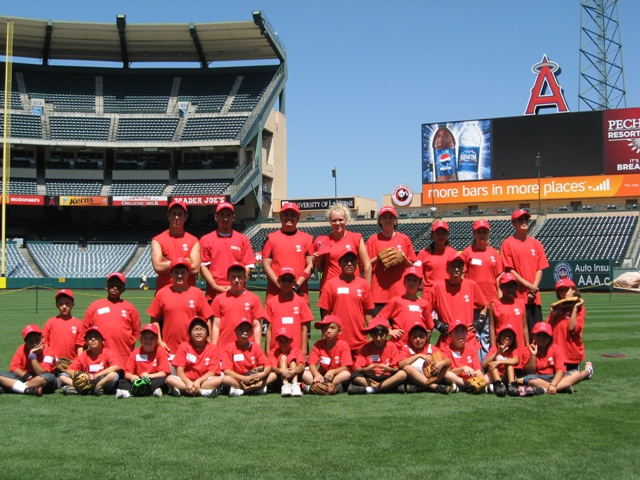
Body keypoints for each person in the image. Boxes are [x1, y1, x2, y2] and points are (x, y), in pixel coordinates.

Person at [147, 258, 213, 361]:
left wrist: (208, 342)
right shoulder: (162, 293)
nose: (179, 275)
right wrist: (159, 341)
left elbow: (207, 319)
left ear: (188, 274)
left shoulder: (197, 293)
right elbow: (154, 319)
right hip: (169, 350)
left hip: (193, 350)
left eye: (183, 272)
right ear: (171, 274)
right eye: (176, 273)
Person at [500, 209, 549, 338]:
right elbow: (509, 269)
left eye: (526, 219)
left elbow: (540, 268)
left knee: (536, 336)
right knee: (519, 336)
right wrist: (529, 286)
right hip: (517, 298)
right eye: (520, 219)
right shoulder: (507, 243)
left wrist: (533, 288)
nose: (524, 221)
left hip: (534, 298)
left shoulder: (536, 244)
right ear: (513, 223)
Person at [317, 248, 375, 356]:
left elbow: (368, 313)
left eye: (352, 261)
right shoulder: (330, 284)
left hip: (359, 341)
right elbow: (325, 315)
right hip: (336, 341)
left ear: (357, 264)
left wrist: (372, 333)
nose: (349, 264)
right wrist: (325, 336)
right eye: (346, 260)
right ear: (339, 263)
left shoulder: (363, 284)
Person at [77, 273, 141, 369]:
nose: (115, 288)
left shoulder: (130, 308)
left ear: (123, 289)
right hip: (98, 361)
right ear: (106, 286)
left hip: (124, 359)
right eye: (112, 285)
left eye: (119, 286)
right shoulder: (94, 306)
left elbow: (136, 334)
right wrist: (80, 362)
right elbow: (82, 336)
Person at [429, 254, 488, 356]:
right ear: (447, 269)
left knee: (473, 366)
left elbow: (484, 304)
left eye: (459, 266)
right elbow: (426, 310)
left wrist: (480, 320)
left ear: (463, 269)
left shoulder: (471, 285)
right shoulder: (438, 287)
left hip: (468, 339)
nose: (456, 269)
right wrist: (436, 323)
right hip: (447, 339)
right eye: (453, 266)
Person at [461, 219, 503, 356]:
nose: (482, 235)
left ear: (488, 233)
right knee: (472, 335)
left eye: (484, 232)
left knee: (486, 336)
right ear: (474, 234)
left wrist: (499, 299)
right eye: (479, 232)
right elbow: (462, 276)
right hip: (472, 302)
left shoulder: (494, 253)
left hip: (490, 301)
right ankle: (474, 364)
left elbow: (499, 277)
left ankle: (484, 364)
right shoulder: (467, 252)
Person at [200, 201, 255, 302]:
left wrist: (235, 285)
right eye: (222, 215)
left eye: (228, 215)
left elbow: (248, 266)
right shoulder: (206, 239)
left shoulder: (243, 239)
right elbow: (204, 267)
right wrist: (215, 286)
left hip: (238, 294)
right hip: (214, 295)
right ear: (216, 217)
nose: (225, 218)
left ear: (233, 217)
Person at [366, 205, 417, 315]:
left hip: (400, 292)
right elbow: (366, 265)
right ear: (380, 221)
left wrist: (403, 258)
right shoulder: (373, 240)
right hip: (378, 294)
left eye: (390, 217)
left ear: (395, 220)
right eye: (384, 218)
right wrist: (378, 258)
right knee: (379, 326)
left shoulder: (404, 239)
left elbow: (412, 267)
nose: (387, 220)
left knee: (401, 326)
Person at [312, 202, 371, 293]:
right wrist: (317, 262)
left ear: (346, 219)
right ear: (330, 221)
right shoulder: (325, 241)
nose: (337, 223)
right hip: (329, 289)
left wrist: (367, 290)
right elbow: (321, 269)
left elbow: (367, 265)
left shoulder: (356, 238)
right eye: (334, 220)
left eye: (340, 220)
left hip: (352, 289)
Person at [261, 201, 314, 301]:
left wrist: (296, 285)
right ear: (280, 217)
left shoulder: (308, 239)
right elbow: (266, 265)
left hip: (299, 293)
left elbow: (311, 265)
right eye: (286, 215)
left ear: (298, 218)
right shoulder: (270, 238)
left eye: (292, 215)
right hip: (275, 294)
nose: (289, 217)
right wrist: (281, 285)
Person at [522, 322, 592, 395]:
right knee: (529, 379)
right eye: (539, 335)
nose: (542, 338)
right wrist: (533, 355)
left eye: (545, 335)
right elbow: (529, 372)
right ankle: (563, 387)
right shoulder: (528, 349)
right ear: (533, 335)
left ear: (550, 337)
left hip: (555, 377)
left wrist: (553, 385)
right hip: (538, 377)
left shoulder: (555, 348)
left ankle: (546, 389)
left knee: (576, 374)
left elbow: (559, 370)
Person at [210, 262, 264, 349]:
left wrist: (256, 348)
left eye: (240, 276)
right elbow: (216, 326)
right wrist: (214, 348)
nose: (236, 280)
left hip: (247, 349)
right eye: (233, 277)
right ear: (228, 278)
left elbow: (257, 326)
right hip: (224, 348)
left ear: (245, 278)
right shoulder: (219, 299)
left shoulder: (254, 299)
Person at [347, 317, 407, 394]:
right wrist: (367, 369)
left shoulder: (391, 346)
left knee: (402, 374)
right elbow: (357, 369)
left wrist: (388, 369)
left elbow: (396, 369)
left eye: (381, 335)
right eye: (375, 335)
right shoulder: (365, 347)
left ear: (386, 334)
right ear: (371, 335)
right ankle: (383, 388)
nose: (378, 338)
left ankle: (374, 389)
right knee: (355, 376)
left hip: (387, 377)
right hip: (370, 377)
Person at [165, 317, 222, 398]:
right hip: (186, 380)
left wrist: (199, 381)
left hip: (203, 381)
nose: (198, 333)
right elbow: (179, 370)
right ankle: (203, 392)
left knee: (218, 380)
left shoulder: (213, 348)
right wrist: (187, 382)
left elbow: (212, 372)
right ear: (190, 333)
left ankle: (184, 390)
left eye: (202, 329)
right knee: (169, 380)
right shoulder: (184, 346)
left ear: (207, 333)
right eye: (195, 329)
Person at [151, 200, 201, 292]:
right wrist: (186, 261)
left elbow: (195, 269)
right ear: (168, 216)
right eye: (174, 214)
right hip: (164, 292)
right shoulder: (157, 240)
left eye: (180, 214)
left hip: (187, 292)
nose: (177, 217)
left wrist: (168, 263)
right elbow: (158, 267)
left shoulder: (194, 241)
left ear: (185, 217)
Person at [378, 265, 434, 347]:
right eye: (409, 279)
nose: (411, 283)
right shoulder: (396, 301)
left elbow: (430, 326)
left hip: (416, 345)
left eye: (415, 280)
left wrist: (426, 335)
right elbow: (380, 318)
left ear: (420, 284)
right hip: (399, 345)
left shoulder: (424, 303)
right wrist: (389, 330)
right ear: (404, 282)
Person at [264, 266, 313, 356]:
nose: (286, 283)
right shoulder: (271, 303)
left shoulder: (302, 302)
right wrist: (267, 352)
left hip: (296, 351)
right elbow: (269, 329)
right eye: (284, 280)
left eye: (289, 280)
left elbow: (304, 329)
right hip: (275, 351)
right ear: (279, 281)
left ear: (294, 283)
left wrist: (304, 352)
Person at [546, 278, 590, 373]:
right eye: (560, 291)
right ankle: (587, 372)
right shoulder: (556, 308)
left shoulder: (580, 309)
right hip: (556, 351)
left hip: (571, 352)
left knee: (571, 378)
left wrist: (575, 308)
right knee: (556, 379)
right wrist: (553, 315)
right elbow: (546, 330)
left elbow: (572, 328)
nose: (563, 293)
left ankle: (587, 372)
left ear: (573, 290)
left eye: (566, 290)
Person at [115, 323, 171, 399]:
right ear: (141, 338)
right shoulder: (136, 352)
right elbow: (127, 373)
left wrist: (150, 376)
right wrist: (132, 377)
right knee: (121, 382)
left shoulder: (160, 351)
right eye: (145, 337)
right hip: (138, 380)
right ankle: (151, 392)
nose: (148, 341)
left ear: (156, 340)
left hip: (152, 379)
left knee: (162, 381)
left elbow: (164, 373)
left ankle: (130, 392)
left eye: (151, 338)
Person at [221, 318, 273, 396]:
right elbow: (226, 370)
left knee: (273, 375)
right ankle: (253, 389)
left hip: (254, 378)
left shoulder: (255, 346)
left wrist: (261, 375)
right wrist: (243, 378)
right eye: (241, 330)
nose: (244, 333)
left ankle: (246, 390)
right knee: (226, 379)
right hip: (238, 380)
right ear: (235, 332)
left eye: (247, 330)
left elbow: (268, 365)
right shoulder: (230, 347)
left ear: (251, 333)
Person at [301, 315, 353, 394]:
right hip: (321, 377)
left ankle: (317, 388)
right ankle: (330, 388)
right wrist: (316, 374)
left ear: (339, 331)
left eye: (332, 328)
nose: (328, 331)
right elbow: (312, 364)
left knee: (346, 374)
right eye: (325, 328)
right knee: (304, 373)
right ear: (322, 331)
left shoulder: (343, 345)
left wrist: (333, 371)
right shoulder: (318, 344)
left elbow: (346, 367)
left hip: (335, 377)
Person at [62, 326, 120, 396]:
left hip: (101, 379)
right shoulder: (85, 354)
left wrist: (96, 375)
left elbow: (116, 367)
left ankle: (91, 389)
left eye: (96, 337)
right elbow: (69, 370)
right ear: (86, 342)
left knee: (113, 375)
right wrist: (82, 376)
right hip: (87, 381)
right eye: (90, 337)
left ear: (103, 341)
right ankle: (84, 389)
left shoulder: (107, 352)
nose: (93, 339)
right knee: (62, 376)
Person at [0, 324, 56, 396]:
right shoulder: (22, 349)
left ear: (42, 338)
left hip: (42, 380)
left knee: (47, 377)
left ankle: (17, 388)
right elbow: (14, 368)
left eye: (37, 340)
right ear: (26, 343)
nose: (35, 344)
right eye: (31, 342)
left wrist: (32, 355)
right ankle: (27, 389)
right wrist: (28, 377)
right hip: (25, 377)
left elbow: (40, 373)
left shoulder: (49, 351)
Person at [397, 320, 451, 394]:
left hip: (432, 377)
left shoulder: (431, 348)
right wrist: (419, 355)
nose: (418, 339)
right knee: (407, 367)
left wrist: (442, 363)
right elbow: (400, 365)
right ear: (410, 338)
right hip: (414, 379)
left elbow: (448, 360)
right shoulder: (407, 348)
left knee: (447, 366)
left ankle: (422, 387)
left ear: (427, 336)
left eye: (421, 336)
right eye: (414, 337)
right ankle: (434, 387)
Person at [489, 272, 528, 369]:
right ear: (501, 287)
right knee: (503, 369)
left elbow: (524, 326)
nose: (510, 289)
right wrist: (494, 347)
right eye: (507, 286)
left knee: (519, 369)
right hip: (503, 345)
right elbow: (492, 327)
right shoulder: (494, 304)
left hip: (519, 344)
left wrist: (527, 345)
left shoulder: (521, 303)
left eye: (512, 286)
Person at [440, 320, 486, 393]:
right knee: (448, 375)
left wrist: (481, 381)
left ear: (467, 334)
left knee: (487, 376)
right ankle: (470, 386)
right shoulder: (447, 350)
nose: (460, 334)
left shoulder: (471, 348)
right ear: (450, 335)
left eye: (463, 331)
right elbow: (450, 371)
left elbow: (477, 369)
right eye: (457, 332)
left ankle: (476, 386)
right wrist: (463, 369)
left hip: (472, 378)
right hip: (457, 378)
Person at [415, 220, 457, 298]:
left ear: (447, 235)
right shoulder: (424, 253)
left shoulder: (453, 253)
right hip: (429, 294)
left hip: (448, 293)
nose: (440, 236)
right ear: (432, 235)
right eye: (437, 233)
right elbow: (416, 274)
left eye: (443, 233)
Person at [42, 289, 82, 361]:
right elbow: (44, 342)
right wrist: (51, 357)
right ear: (57, 305)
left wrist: (79, 362)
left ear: (73, 304)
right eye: (61, 303)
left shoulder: (78, 324)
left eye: (67, 303)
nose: (64, 306)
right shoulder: (50, 322)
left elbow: (80, 345)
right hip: (53, 361)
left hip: (72, 362)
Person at [482, 324, 520, 397]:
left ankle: (512, 385)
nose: (507, 338)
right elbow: (484, 364)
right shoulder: (494, 348)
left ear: (513, 340)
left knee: (509, 364)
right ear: (499, 337)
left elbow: (515, 360)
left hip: (508, 376)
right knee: (491, 366)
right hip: (495, 375)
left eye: (510, 336)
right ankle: (498, 385)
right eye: (504, 335)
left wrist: (498, 362)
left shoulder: (513, 350)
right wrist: (497, 353)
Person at [267, 326, 305, 397]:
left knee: (293, 362)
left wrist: (293, 371)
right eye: (280, 341)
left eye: (286, 341)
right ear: (277, 341)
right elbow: (272, 367)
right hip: (279, 379)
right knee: (283, 357)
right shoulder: (273, 352)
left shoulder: (296, 351)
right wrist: (281, 371)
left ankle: (295, 385)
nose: (283, 344)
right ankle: (286, 384)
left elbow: (302, 366)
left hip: (294, 375)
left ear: (291, 341)